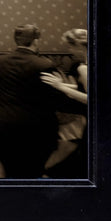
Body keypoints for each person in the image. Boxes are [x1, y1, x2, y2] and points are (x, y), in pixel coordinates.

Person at [0, 24, 67, 178]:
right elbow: (56, 99)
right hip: (36, 129)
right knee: (33, 171)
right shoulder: (44, 65)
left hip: (5, 125)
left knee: (10, 171)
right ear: (36, 41)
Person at [41, 28, 88, 178]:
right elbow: (82, 88)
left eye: (70, 46)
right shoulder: (88, 64)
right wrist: (61, 85)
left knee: (85, 156)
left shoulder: (83, 68)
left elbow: (92, 99)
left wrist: (60, 86)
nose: (69, 51)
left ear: (80, 46)